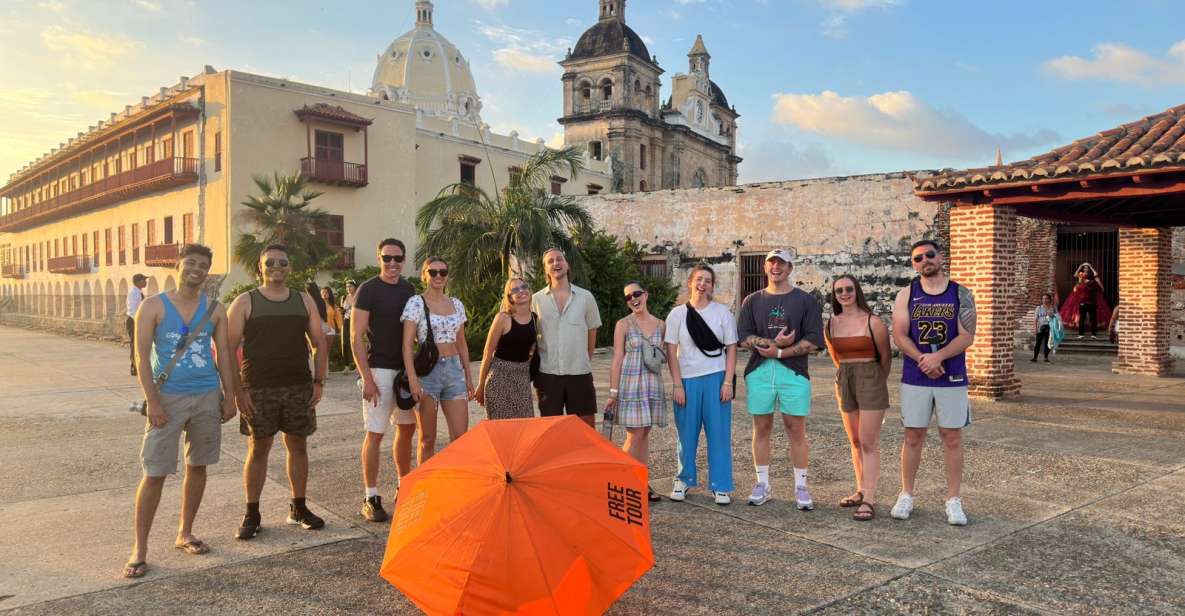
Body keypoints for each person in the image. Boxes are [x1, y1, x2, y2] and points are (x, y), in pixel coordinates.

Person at [122, 245, 236, 579]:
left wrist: (230, 396)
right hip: (168, 397)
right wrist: (153, 401)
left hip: (206, 394)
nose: (196, 269)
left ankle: (185, 532)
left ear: (209, 270)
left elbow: (225, 354)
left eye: (203, 265)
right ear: (178, 265)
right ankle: (139, 549)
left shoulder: (215, 308)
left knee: (198, 465)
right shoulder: (152, 306)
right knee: (155, 471)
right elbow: (142, 358)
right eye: (191, 263)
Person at [227, 245, 328, 540]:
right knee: (258, 450)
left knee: (298, 447)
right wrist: (238, 390)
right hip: (257, 388)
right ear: (260, 268)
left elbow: (319, 342)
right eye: (269, 262)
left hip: (298, 387)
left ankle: (298, 508)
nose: (276, 266)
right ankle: (252, 513)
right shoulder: (245, 302)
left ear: (290, 267)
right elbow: (229, 347)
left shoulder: (303, 300)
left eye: (282, 262)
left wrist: (319, 381)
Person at [890, 240, 976, 526]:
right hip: (916, 376)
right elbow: (900, 335)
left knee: (951, 437)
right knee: (913, 435)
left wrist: (938, 356)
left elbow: (967, 335)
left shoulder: (960, 293)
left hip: (951, 376)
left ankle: (953, 500)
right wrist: (923, 359)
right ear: (913, 264)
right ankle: (906, 494)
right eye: (918, 258)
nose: (925, 260)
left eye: (930, 255)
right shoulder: (907, 294)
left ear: (941, 257)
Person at [736, 250, 824, 510]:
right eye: (772, 262)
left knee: (795, 429)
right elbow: (744, 337)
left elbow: (814, 340)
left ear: (790, 268)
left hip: (794, 372)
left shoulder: (805, 301)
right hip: (760, 371)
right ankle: (763, 484)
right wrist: (773, 345)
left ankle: (801, 486)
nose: (776, 267)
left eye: (781, 263)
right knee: (761, 428)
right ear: (765, 267)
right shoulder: (752, 300)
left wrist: (783, 352)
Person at [352, 239, 417, 523]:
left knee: (406, 429)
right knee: (375, 434)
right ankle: (370, 496)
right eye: (387, 258)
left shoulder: (409, 289)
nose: (393, 264)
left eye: (398, 258)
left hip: (404, 372)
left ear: (404, 260)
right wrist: (367, 378)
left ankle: (404, 485)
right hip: (378, 370)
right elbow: (356, 338)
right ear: (379, 258)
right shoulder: (368, 290)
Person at [665, 263, 738, 505]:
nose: (702, 284)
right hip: (687, 380)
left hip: (716, 378)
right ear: (690, 283)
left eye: (707, 280)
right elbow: (671, 351)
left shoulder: (722, 313)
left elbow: (731, 349)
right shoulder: (677, 314)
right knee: (686, 433)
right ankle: (684, 479)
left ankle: (721, 485)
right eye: (699, 279)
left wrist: (728, 382)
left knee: (718, 434)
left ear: (712, 286)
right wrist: (677, 384)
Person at [822, 275, 891, 521]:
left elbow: (885, 358)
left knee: (868, 441)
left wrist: (873, 380)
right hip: (845, 379)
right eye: (839, 290)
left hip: (871, 378)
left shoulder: (874, 322)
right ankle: (860, 490)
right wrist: (847, 377)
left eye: (849, 289)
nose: (844, 293)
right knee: (854, 441)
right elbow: (835, 356)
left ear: (857, 291)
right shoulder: (831, 323)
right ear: (835, 294)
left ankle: (870, 499)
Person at [402, 257, 473, 462]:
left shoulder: (456, 304)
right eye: (433, 272)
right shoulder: (416, 303)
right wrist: (413, 380)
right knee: (427, 439)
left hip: (453, 372)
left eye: (443, 272)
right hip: (427, 374)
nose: (438, 276)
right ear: (424, 275)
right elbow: (407, 345)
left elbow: (462, 344)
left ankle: (455, 484)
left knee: (461, 437)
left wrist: (468, 377)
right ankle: (426, 488)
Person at [605, 281, 666, 502]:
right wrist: (613, 392)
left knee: (645, 434)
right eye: (628, 297)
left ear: (646, 295)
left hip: (652, 384)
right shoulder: (623, 324)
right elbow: (617, 359)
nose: (633, 299)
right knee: (635, 434)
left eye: (636, 294)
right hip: (631, 384)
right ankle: (617, 482)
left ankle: (640, 483)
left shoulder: (661, 325)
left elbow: (669, 354)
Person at [532, 248, 601, 428]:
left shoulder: (586, 297)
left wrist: (585, 359)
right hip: (548, 375)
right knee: (550, 429)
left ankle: (585, 458)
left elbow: (592, 331)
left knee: (585, 428)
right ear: (545, 269)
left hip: (579, 373)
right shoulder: (536, 300)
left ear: (567, 265)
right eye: (550, 261)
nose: (556, 263)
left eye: (559, 259)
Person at [475, 277, 537, 419]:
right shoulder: (503, 318)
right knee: (500, 430)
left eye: (524, 287)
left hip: (522, 379)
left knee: (524, 428)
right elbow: (487, 352)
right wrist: (481, 384)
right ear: (510, 297)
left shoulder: (535, 318)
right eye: (515, 290)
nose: (521, 291)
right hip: (499, 379)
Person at [1059, 263, 1111, 339]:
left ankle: (1093, 333)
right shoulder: (1080, 276)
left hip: (1091, 300)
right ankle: (1081, 333)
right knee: (1081, 317)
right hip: (1082, 298)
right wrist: (1080, 266)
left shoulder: (1092, 280)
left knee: (1093, 317)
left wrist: (1090, 266)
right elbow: (1075, 276)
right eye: (1084, 268)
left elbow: (1096, 276)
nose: (1085, 269)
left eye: (1087, 268)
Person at [126, 273, 148, 376]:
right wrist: (139, 322)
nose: (145, 282)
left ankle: (138, 366)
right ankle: (134, 367)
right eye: (144, 280)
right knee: (135, 344)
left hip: (138, 320)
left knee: (139, 344)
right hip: (134, 321)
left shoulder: (138, 292)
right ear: (138, 282)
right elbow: (132, 310)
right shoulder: (133, 293)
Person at [321, 287, 343, 365]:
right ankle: (319, 369)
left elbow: (338, 317)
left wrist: (341, 328)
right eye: (323, 292)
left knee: (327, 350)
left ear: (329, 294)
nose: (324, 294)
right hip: (320, 329)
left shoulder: (333, 305)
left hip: (331, 329)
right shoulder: (317, 304)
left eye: (326, 292)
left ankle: (326, 370)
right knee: (320, 349)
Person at [1032, 293, 1054, 363]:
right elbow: (1035, 319)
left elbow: (1057, 318)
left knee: (1047, 343)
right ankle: (1035, 357)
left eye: (1046, 298)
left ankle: (1046, 357)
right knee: (1038, 343)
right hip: (1040, 327)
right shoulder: (1039, 308)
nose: (1044, 300)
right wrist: (1035, 329)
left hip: (1050, 327)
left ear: (1050, 299)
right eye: (1043, 299)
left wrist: (1052, 315)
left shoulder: (1053, 308)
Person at [341, 280, 358, 370]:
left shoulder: (359, 296)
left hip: (356, 321)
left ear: (355, 287)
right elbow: (342, 311)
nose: (348, 288)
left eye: (350, 286)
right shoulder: (344, 297)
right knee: (345, 343)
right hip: (346, 320)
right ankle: (346, 365)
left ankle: (356, 365)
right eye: (347, 287)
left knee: (356, 342)